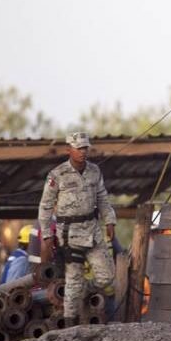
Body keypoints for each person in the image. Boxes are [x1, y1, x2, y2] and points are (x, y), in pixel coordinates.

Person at [39, 131, 117, 326]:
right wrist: (47, 235)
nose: (83, 152)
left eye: (85, 148)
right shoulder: (57, 174)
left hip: (92, 230)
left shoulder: (94, 171)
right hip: (69, 233)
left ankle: (82, 290)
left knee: (107, 276)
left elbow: (102, 198)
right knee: (73, 279)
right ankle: (69, 324)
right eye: (79, 148)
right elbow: (45, 206)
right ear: (69, 150)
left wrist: (110, 221)